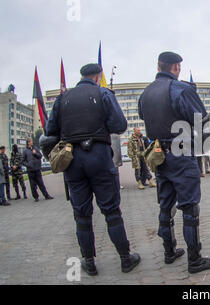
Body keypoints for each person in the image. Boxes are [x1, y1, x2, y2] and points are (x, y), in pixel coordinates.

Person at [46, 63, 140, 276]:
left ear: (81, 76)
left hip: (72, 159)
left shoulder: (63, 99)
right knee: (111, 211)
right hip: (98, 156)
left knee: (81, 214)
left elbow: (50, 130)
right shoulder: (103, 93)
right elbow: (120, 125)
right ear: (98, 77)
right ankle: (126, 259)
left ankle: (89, 262)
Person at [138, 51, 210, 274]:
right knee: (189, 206)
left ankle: (169, 251)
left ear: (158, 66)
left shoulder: (145, 93)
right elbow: (201, 120)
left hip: (159, 155)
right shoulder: (181, 89)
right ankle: (195, 260)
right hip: (182, 153)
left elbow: (145, 117)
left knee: (166, 205)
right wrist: (206, 144)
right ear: (176, 67)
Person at [23, 139, 53, 203]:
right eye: (31, 141)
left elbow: (40, 156)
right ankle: (36, 197)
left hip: (37, 169)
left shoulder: (35, 149)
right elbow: (23, 161)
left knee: (41, 183)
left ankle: (46, 195)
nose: (32, 142)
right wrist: (28, 165)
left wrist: (35, 153)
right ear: (28, 143)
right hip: (30, 170)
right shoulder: (25, 151)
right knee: (32, 185)